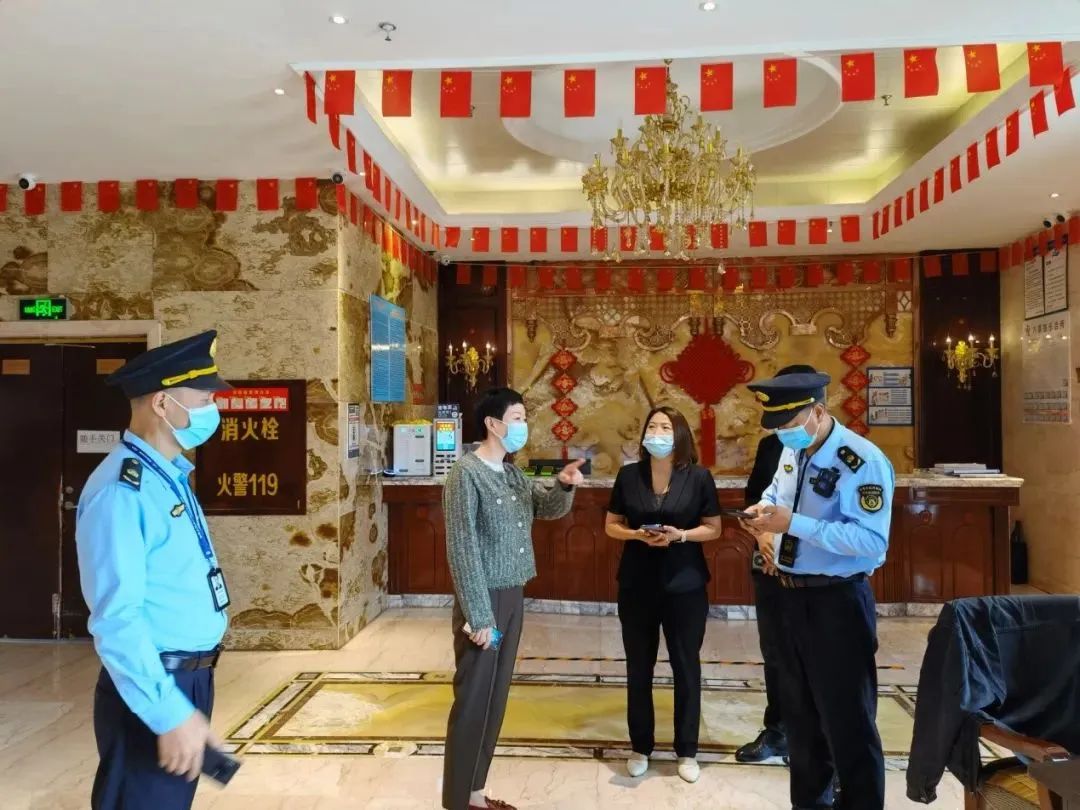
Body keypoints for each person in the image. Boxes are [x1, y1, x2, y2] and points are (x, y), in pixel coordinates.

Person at [76, 330, 232, 810]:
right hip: (152, 683)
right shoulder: (121, 491)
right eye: (203, 399)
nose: (212, 410)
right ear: (163, 404)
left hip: (187, 677)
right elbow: (116, 618)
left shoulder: (169, 475)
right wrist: (167, 713)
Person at [742, 367, 894, 810]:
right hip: (789, 598)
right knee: (801, 722)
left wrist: (794, 524)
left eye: (790, 424)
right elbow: (776, 494)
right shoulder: (793, 450)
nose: (783, 434)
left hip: (837, 603)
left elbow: (872, 543)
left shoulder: (860, 461)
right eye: (777, 428)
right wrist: (762, 519)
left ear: (819, 413)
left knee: (848, 723)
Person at [442, 387, 584, 810]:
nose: (523, 425)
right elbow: (462, 548)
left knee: (494, 698)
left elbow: (548, 508)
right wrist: (479, 616)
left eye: (524, 418)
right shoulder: (466, 473)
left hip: (512, 596)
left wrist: (563, 485)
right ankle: (457, 801)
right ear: (493, 423)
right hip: (484, 600)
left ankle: (475, 794)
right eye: (517, 418)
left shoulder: (512, 473)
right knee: (473, 701)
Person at [604, 406, 724, 784]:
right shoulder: (629, 475)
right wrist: (636, 535)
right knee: (638, 667)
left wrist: (682, 535)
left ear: (680, 435)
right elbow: (611, 525)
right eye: (652, 426)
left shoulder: (699, 477)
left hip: (685, 585)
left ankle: (687, 750)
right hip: (637, 584)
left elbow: (714, 527)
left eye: (665, 427)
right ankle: (640, 747)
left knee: (686, 667)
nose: (657, 433)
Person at [735, 429, 787, 763]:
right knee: (776, 653)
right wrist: (761, 535)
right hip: (769, 564)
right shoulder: (772, 445)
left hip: (820, 573)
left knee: (821, 658)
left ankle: (824, 743)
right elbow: (753, 498)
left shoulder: (839, 450)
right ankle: (778, 733)